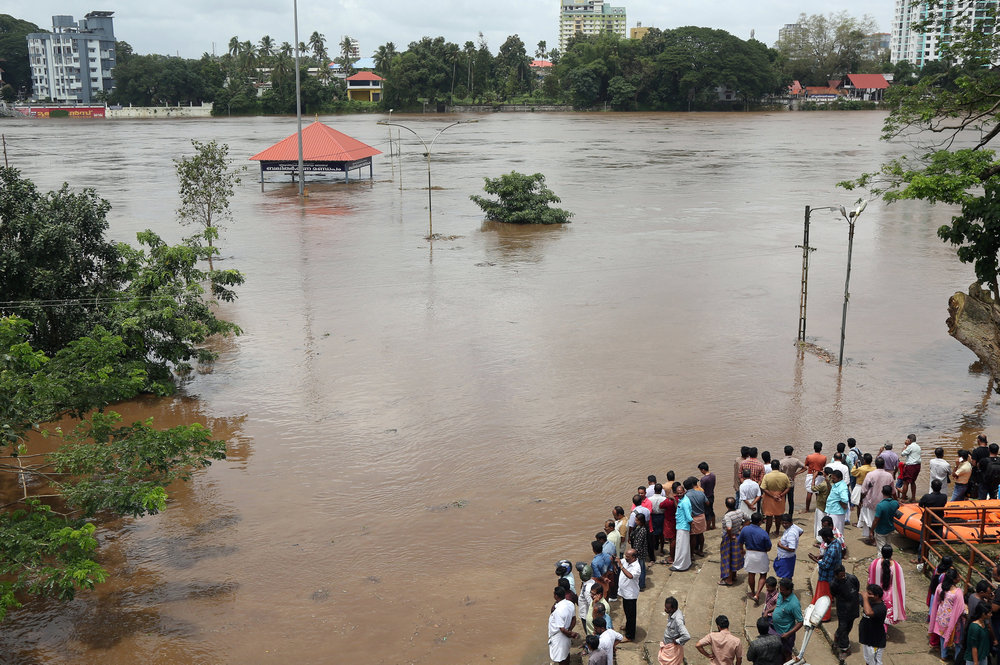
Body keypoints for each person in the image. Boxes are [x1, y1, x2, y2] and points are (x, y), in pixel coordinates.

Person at [930, 568, 966, 660]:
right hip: (953, 622)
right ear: (954, 580)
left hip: (941, 618)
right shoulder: (957, 592)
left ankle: (944, 655)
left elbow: (937, 601)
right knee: (958, 641)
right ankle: (957, 658)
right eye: (958, 576)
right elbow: (961, 609)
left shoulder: (940, 587)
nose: (960, 578)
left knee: (942, 636)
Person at [737, 512, 772, 604]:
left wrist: (742, 550)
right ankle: (758, 594)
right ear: (760, 522)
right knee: (763, 575)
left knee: (751, 574)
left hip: (750, 554)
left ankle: (752, 592)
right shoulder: (763, 533)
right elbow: (768, 547)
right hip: (761, 554)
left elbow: (740, 542)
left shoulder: (745, 529)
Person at [867, 544, 906, 626]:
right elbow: (900, 583)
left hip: (876, 593)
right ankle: (883, 633)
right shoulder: (896, 566)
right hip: (890, 595)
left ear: (881, 553)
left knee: (876, 613)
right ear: (892, 553)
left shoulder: (874, 563)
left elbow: (869, 579)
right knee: (886, 617)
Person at [809, 527, 842, 622]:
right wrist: (821, 556)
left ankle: (824, 617)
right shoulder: (836, 543)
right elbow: (830, 556)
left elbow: (825, 565)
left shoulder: (832, 549)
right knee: (822, 596)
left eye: (823, 538)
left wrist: (814, 559)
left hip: (827, 577)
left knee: (824, 598)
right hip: (830, 576)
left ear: (827, 537)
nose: (823, 540)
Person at [859, 457, 894, 545]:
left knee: (871, 520)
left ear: (875, 464)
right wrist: (896, 501)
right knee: (881, 519)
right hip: (884, 502)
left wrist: (861, 500)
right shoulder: (889, 475)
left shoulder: (870, 475)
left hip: (871, 501)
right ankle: (879, 538)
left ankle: (873, 539)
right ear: (884, 465)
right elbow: (893, 491)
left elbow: (864, 490)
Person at [830, 565, 861, 658]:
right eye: (840, 576)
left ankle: (838, 636)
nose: (843, 577)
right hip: (842, 609)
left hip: (853, 607)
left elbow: (857, 588)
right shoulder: (833, 584)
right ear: (836, 575)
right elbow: (834, 594)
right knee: (843, 626)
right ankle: (845, 648)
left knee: (849, 626)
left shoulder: (852, 578)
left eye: (844, 575)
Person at [770, 578, 803, 659]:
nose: (780, 591)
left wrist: (788, 634)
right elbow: (778, 605)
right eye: (780, 589)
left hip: (785, 634)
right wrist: (768, 610)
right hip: (775, 630)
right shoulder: (781, 595)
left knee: (786, 654)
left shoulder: (794, 604)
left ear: (789, 590)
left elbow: (800, 622)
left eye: (783, 590)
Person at [547, 586, 578, 665]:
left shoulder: (558, 611)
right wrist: (570, 631)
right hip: (565, 634)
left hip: (559, 636)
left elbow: (562, 629)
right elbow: (574, 619)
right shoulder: (570, 604)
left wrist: (570, 634)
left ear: (556, 596)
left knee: (561, 657)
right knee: (566, 653)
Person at [719, 496, 745, 587]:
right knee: (734, 557)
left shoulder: (728, 516)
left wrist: (730, 536)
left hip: (729, 539)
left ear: (726, 506)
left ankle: (728, 580)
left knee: (728, 558)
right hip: (737, 536)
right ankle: (733, 576)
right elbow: (749, 519)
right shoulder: (740, 512)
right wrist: (741, 529)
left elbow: (729, 528)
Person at [858, 584, 887, 665]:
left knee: (875, 662)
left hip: (875, 641)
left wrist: (865, 597)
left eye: (869, 593)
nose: (867, 595)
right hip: (866, 637)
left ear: (877, 596)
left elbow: (868, 612)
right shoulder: (869, 601)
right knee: (868, 660)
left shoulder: (881, 608)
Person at [760, 461, 790, 536]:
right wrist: (781, 494)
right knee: (778, 516)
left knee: (769, 516)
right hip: (780, 497)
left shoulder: (767, 476)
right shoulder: (784, 476)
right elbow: (788, 487)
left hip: (769, 497)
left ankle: (767, 532)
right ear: (779, 467)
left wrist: (772, 496)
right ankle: (777, 531)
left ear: (771, 467)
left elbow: (763, 488)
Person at [658, 597, 690, 665]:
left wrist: (677, 641)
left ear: (674, 608)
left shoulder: (678, 620)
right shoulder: (672, 612)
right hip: (667, 646)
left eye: (668, 608)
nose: (665, 610)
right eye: (665, 607)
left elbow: (687, 636)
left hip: (672, 649)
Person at [618, 548, 641, 641]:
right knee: (627, 612)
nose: (625, 558)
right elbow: (620, 560)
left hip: (630, 594)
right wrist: (615, 559)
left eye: (628, 556)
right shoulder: (626, 561)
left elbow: (630, 576)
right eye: (625, 556)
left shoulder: (637, 567)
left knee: (631, 615)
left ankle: (629, 636)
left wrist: (621, 567)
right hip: (624, 592)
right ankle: (628, 626)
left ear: (634, 558)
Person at [871, 485, 900, 551]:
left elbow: (876, 520)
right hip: (890, 528)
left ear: (882, 492)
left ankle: (881, 561)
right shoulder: (895, 503)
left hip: (881, 530)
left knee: (881, 550)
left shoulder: (880, 505)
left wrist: (871, 531)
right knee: (888, 547)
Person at [672, 482, 693, 572]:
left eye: (681, 492)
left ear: (684, 491)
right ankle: (686, 563)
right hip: (681, 525)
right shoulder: (683, 500)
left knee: (681, 547)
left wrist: (690, 527)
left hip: (683, 527)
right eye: (678, 493)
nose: (679, 494)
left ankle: (679, 566)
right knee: (684, 546)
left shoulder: (684, 502)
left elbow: (689, 517)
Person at [773, 514, 802, 579]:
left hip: (786, 558)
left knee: (784, 577)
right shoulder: (794, 527)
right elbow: (801, 531)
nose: (784, 525)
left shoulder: (791, 534)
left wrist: (781, 546)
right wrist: (795, 539)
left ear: (791, 523)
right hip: (787, 557)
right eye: (782, 523)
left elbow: (792, 549)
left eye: (786, 523)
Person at [685, 476, 708, 557]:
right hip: (702, 516)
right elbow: (707, 503)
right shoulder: (701, 493)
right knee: (701, 534)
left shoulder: (686, 496)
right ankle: (701, 551)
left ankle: (691, 555)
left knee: (693, 537)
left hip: (693, 518)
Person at [780, 445, 805, 514]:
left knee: (783, 501)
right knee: (791, 501)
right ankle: (790, 516)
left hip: (783, 483)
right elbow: (805, 468)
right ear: (792, 452)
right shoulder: (796, 461)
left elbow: (779, 472)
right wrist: (796, 473)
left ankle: (782, 515)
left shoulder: (781, 462)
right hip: (791, 482)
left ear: (784, 452)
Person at [825, 469, 850, 535]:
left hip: (837, 512)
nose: (833, 480)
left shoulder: (842, 487)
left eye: (834, 478)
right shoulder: (836, 484)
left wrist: (840, 503)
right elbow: (831, 491)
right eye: (832, 478)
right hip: (831, 510)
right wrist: (828, 482)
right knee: (832, 530)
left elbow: (845, 499)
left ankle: (839, 544)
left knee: (837, 531)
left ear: (840, 478)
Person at [851, 453, 875, 522]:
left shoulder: (860, 469)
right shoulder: (874, 469)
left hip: (860, 487)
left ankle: (859, 521)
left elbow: (853, 472)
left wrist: (855, 465)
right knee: (869, 505)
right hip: (870, 488)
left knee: (859, 505)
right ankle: (868, 520)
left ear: (864, 461)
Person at [629, 512, 649, 591]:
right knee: (640, 568)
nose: (635, 521)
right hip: (639, 551)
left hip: (640, 553)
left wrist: (634, 552)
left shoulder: (642, 530)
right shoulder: (638, 527)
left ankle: (641, 584)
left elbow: (639, 543)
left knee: (641, 569)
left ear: (640, 521)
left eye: (636, 520)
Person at [811, 467, 831, 542]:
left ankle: (820, 539)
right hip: (829, 506)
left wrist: (813, 478)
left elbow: (813, 489)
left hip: (821, 505)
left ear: (825, 474)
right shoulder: (833, 481)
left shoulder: (823, 484)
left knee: (819, 523)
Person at [649, 482, 667, 557]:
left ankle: (655, 546)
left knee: (653, 533)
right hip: (661, 516)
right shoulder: (664, 499)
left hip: (653, 517)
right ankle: (661, 550)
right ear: (661, 490)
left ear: (654, 490)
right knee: (661, 534)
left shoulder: (649, 499)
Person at [661, 486, 678, 564]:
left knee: (672, 540)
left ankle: (672, 557)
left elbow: (660, 506)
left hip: (669, 522)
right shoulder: (681, 499)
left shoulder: (668, 501)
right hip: (677, 521)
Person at [699, 462, 717, 530]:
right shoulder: (713, 475)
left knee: (707, 513)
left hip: (706, 497)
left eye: (700, 470)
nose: (701, 472)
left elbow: (702, 490)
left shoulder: (703, 479)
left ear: (703, 470)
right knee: (711, 511)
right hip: (712, 495)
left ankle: (708, 528)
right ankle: (714, 525)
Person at [579, 564, 595, 635]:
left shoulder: (586, 590)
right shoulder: (591, 581)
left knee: (589, 632)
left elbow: (591, 604)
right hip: (587, 613)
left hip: (586, 615)